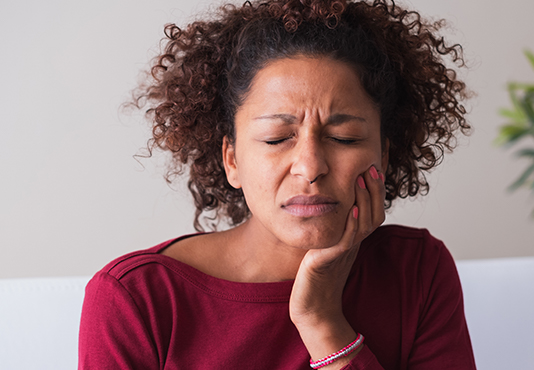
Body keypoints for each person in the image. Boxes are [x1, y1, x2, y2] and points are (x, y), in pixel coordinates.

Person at [78, 0, 476, 368]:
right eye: (276, 139)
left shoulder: (417, 272)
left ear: (383, 157)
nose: (310, 167)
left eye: (344, 138)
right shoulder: (137, 300)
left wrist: (321, 321)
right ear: (231, 160)